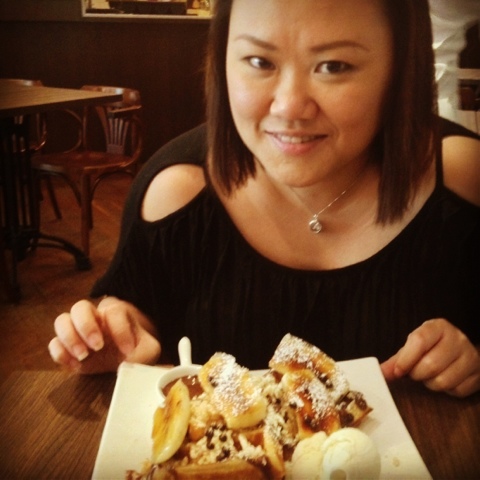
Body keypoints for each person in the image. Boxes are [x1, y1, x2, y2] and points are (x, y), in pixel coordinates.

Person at [48, 0, 480, 398]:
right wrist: (112, 337)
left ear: (400, 68)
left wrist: (473, 358)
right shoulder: (176, 193)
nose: (289, 106)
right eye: (259, 62)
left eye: (333, 66)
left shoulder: (462, 179)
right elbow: (135, 318)